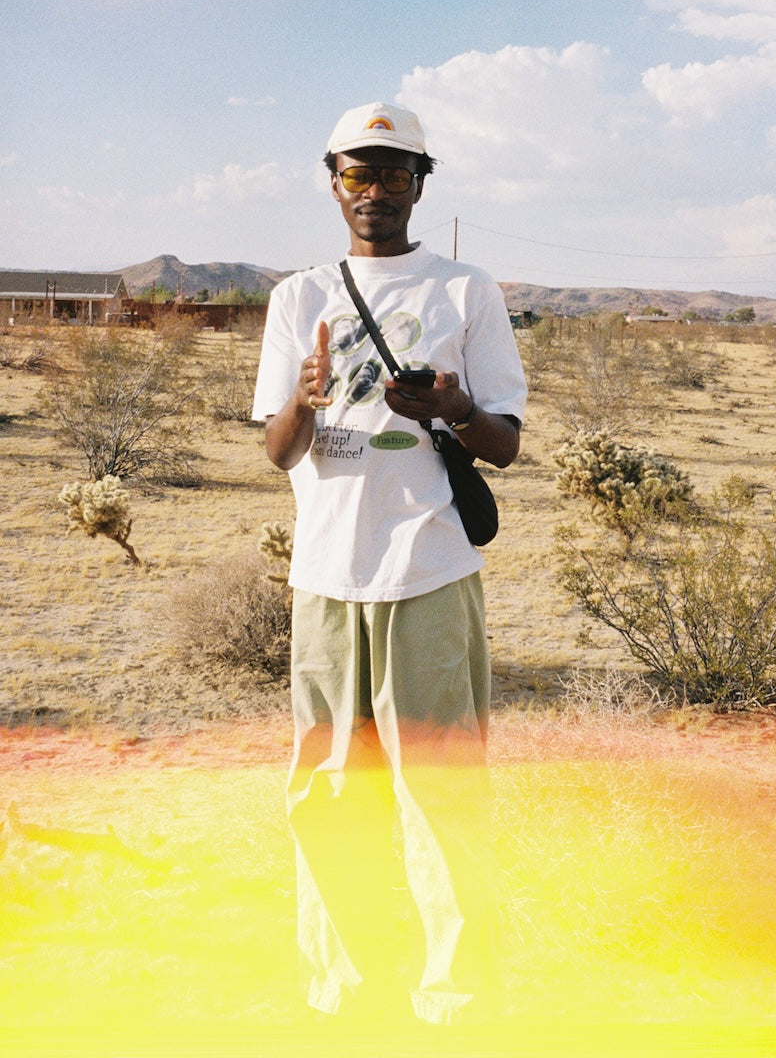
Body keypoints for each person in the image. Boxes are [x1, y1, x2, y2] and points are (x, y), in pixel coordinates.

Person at [252, 100, 527, 1026]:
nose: (374, 191)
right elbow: (277, 451)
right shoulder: (299, 298)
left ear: (422, 181)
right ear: (333, 183)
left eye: (393, 172)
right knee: (328, 793)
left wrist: (450, 408)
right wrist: (302, 396)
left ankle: (456, 999)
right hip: (326, 577)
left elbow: (504, 445)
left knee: (440, 792)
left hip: (427, 573)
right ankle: (341, 991)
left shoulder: (466, 292)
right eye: (356, 174)